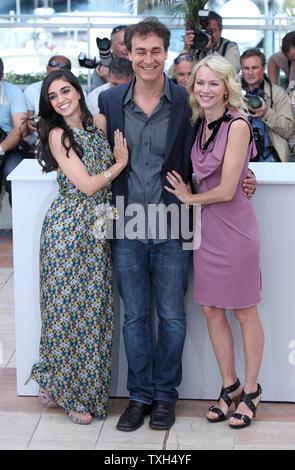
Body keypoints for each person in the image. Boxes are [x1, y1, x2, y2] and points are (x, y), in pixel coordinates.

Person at [98, 19, 256, 433]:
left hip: (174, 224)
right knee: (134, 317)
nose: (148, 59)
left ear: (165, 53)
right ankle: (140, 397)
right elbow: (96, 157)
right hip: (127, 223)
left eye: (155, 51)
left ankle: (165, 395)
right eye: (140, 51)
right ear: (127, 54)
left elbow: (220, 146)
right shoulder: (110, 101)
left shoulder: (188, 101)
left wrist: (245, 176)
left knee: (171, 316)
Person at [165, 54, 264, 430]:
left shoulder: (238, 124)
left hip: (235, 229)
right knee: (210, 309)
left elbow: (225, 190)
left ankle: (252, 391)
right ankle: (230, 386)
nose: (205, 89)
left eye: (213, 83)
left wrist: (190, 198)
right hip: (206, 230)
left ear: (227, 87)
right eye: (200, 83)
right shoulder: (197, 122)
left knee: (244, 311)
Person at [29, 69, 128, 425]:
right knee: (66, 313)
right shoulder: (58, 134)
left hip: (98, 227)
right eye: (53, 96)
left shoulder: (99, 122)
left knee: (94, 313)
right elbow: (87, 185)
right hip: (68, 232)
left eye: (65, 90)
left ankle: (63, 382)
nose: (61, 100)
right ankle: (69, 391)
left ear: (78, 90)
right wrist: (119, 164)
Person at [241, 48, 294, 162]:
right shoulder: (233, 93)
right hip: (240, 157)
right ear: (241, 69)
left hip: (271, 156)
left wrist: (267, 113)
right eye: (246, 68)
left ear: (263, 68)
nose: (250, 73)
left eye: (255, 68)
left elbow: (288, 130)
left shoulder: (278, 93)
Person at [24, 55, 72, 145]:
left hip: (70, 138)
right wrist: (30, 123)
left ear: (69, 72)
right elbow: (29, 122)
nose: (57, 67)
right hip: (40, 142)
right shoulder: (32, 90)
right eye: (53, 64)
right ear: (47, 68)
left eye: (63, 65)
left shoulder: (76, 91)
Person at [0, 57, 28, 205]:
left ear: (2, 76)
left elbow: (20, 129)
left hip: (9, 147)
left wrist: (1, 148)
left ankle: (19, 225)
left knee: (15, 176)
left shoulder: (12, 92)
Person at [93, 25, 129, 89]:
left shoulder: (140, 64)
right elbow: (98, 97)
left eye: (129, 43)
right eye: (122, 44)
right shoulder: (101, 69)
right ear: (111, 46)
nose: (126, 48)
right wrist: (108, 82)